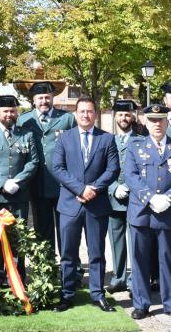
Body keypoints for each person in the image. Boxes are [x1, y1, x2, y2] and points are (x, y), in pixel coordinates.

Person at [123, 104, 171, 321]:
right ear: (145, 122)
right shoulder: (135, 147)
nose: (157, 124)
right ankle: (141, 304)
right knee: (140, 261)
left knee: (169, 260)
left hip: (170, 213)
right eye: (152, 120)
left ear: (167, 122)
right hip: (142, 213)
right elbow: (130, 175)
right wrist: (151, 197)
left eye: (161, 120)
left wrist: (170, 198)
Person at [52, 97, 120, 312]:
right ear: (75, 113)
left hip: (96, 205)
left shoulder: (107, 139)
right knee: (68, 253)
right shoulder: (64, 138)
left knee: (97, 252)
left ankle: (97, 294)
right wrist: (80, 189)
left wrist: (93, 189)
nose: (85, 115)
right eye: (81, 111)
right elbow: (57, 168)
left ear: (95, 113)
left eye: (89, 111)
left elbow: (113, 169)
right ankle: (67, 294)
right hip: (70, 205)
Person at [16, 81, 76, 253]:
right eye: (40, 98)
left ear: (53, 98)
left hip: (62, 185)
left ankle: (70, 272)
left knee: (66, 230)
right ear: (33, 100)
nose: (44, 101)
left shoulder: (67, 119)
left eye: (47, 98)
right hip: (37, 184)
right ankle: (46, 272)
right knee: (42, 231)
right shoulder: (23, 120)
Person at [107, 98, 140, 294]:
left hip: (134, 198)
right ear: (115, 116)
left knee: (135, 241)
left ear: (133, 116)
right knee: (116, 240)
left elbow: (142, 169)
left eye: (127, 114)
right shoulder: (107, 140)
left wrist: (128, 186)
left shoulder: (141, 140)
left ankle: (134, 280)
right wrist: (113, 187)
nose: (124, 118)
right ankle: (118, 278)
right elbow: (100, 168)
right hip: (112, 198)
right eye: (120, 114)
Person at [0, 94, 39, 221]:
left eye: (12, 111)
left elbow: (33, 161)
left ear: (17, 113)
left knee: (20, 237)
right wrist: (2, 184)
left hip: (20, 194)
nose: (9, 114)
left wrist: (17, 181)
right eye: (5, 111)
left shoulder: (27, 134)